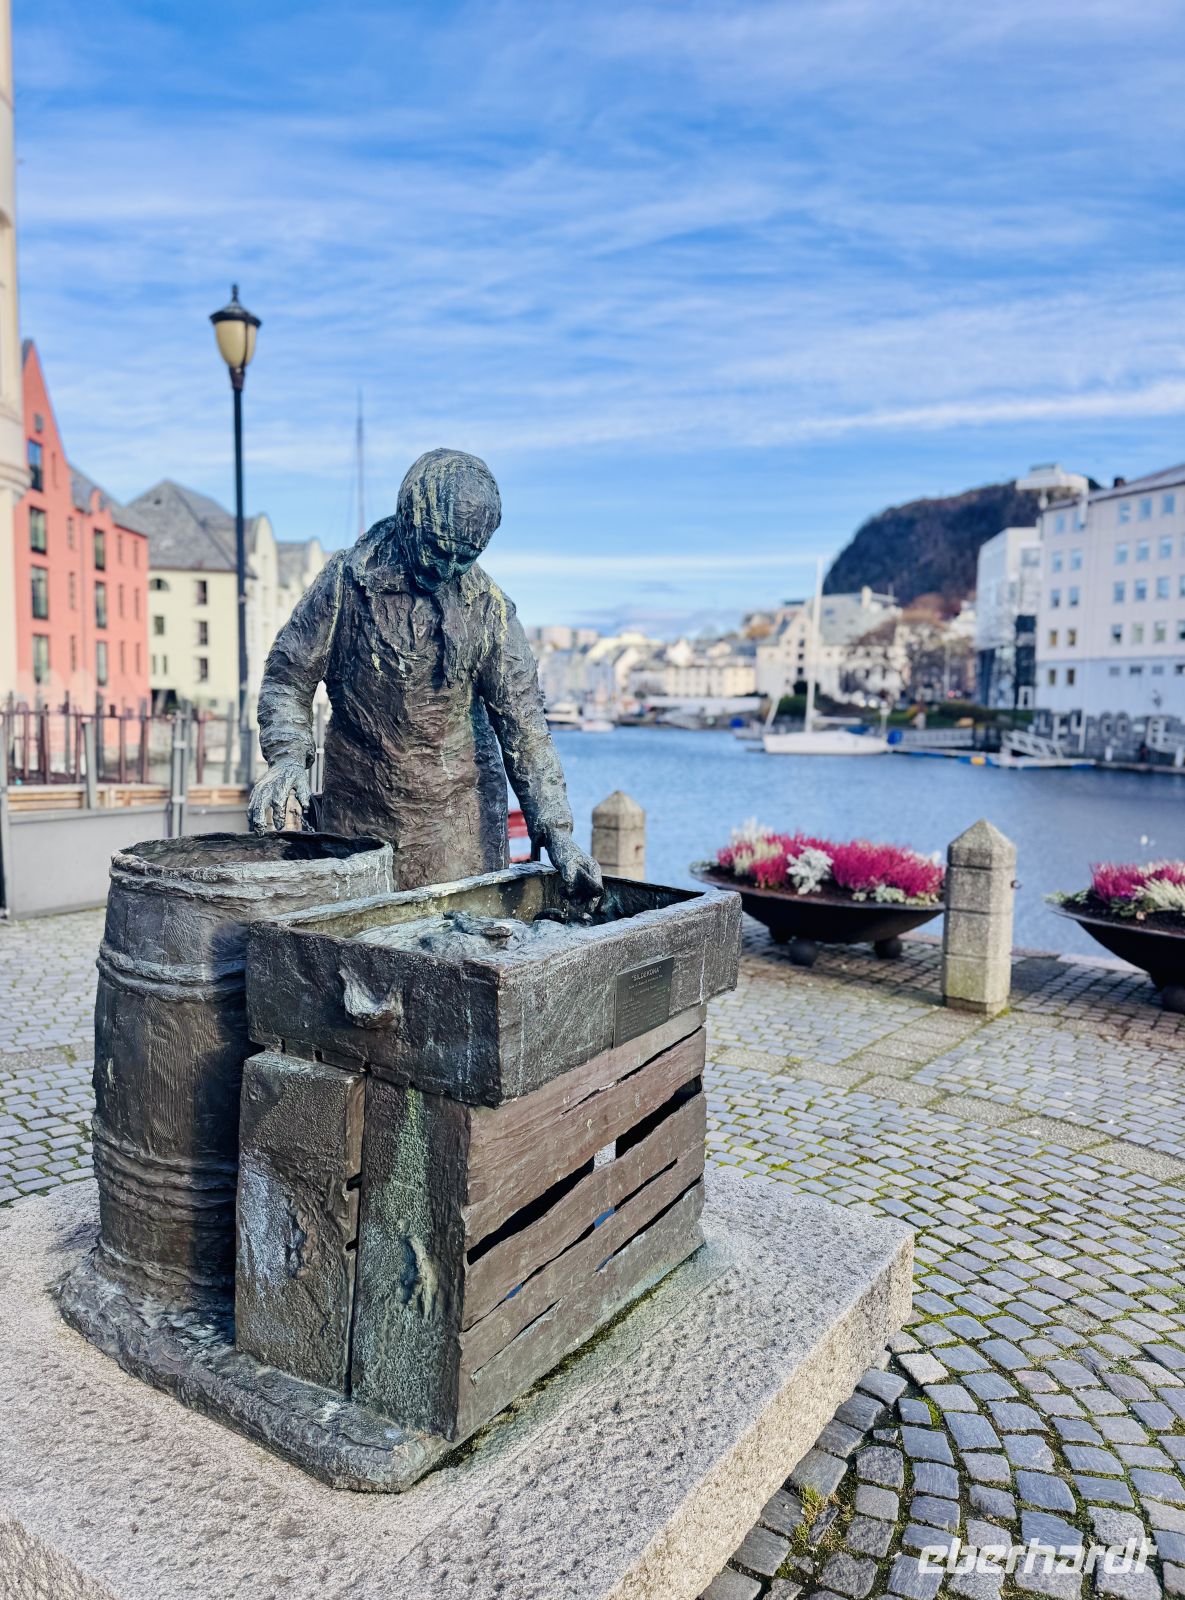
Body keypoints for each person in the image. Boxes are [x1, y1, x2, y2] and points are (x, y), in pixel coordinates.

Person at [248, 448, 602, 900]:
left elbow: (525, 727)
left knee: (461, 937)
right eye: (436, 549)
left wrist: (557, 832)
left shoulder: (490, 610)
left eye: (465, 557)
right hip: (359, 813)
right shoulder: (345, 583)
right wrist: (287, 758)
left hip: (460, 825)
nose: (447, 569)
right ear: (407, 520)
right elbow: (287, 679)